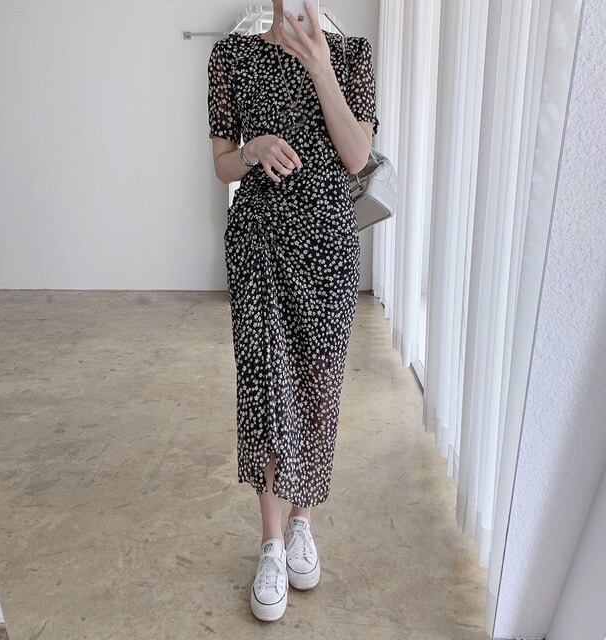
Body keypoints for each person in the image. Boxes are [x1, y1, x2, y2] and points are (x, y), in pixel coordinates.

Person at [207, 0, 379, 622]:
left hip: (328, 245)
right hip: (258, 241)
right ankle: (272, 542)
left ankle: (304, 521)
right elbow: (222, 164)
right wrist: (252, 148)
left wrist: (321, 67)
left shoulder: (353, 55)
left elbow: (357, 157)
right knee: (266, 385)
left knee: (317, 386)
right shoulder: (230, 56)